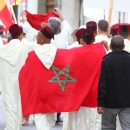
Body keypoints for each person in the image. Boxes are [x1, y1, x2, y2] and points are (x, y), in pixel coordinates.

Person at [62, 28, 108, 130]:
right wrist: (106, 48)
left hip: (78, 93)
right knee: (93, 123)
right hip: (94, 94)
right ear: (94, 38)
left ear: (82, 40)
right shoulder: (101, 50)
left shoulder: (75, 52)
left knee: (78, 124)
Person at [0, 24, 40, 130]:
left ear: (10, 34)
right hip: (22, 82)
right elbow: (42, 43)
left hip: (6, 82)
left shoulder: (2, 50)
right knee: (19, 107)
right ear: (21, 36)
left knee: (9, 107)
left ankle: (11, 128)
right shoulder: (26, 46)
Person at [97, 35, 130, 130]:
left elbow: (103, 83)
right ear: (123, 46)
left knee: (108, 127)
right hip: (127, 102)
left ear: (110, 46)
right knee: (127, 127)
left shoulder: (106, 60)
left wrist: (100, 102)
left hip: (110, 102)